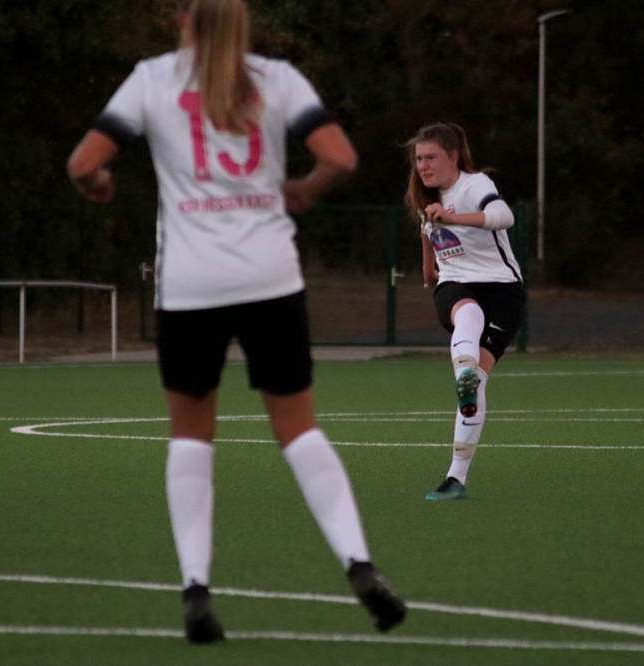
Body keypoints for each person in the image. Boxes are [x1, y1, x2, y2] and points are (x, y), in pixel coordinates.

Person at [67, 0, 405, 643]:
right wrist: (304, 189)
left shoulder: (152, 79)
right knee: (299, 430)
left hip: (190, 285)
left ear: (181, 18)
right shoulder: (278, 78)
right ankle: (359, 565)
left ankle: (196, 588)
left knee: (191, 438)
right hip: (270, 277)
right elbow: (340, 157)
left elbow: (83, 163)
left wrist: (95, 185)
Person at [404, 123, 527, 501]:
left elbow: (504, 216)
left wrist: (452, 218)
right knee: (467, 311)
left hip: (503, 292)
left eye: (431, 157)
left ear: (454, 157)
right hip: (456, 286)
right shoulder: (426, 202)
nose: (423, 166)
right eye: (419, 159)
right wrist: (431, 273)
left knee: (478, 382)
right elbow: (429, 266)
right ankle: (465, 375)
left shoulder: (475, 186)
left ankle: (456, 480)